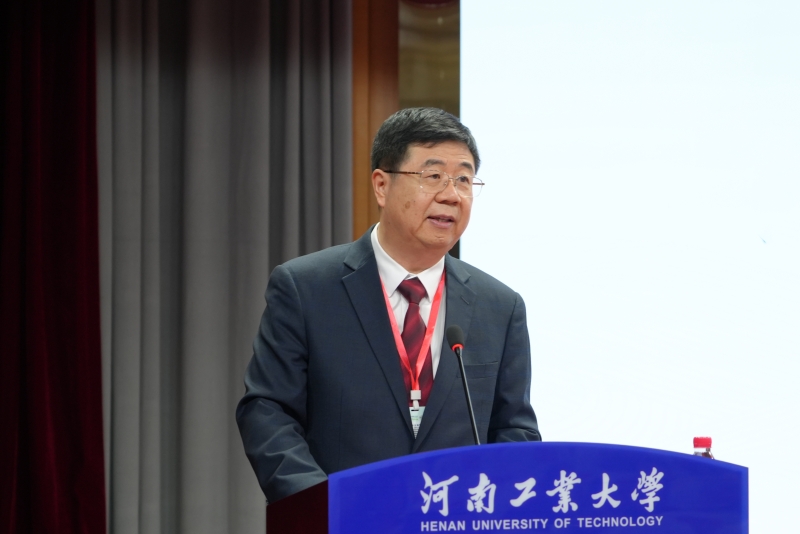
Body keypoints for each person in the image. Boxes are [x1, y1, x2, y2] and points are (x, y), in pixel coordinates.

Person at [236, 107, 541, 504]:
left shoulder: (500, 306)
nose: (451, 195)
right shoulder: (306, 288)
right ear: (382, 185)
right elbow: (268, 411)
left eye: (464, 180)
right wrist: (322, 505)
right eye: (433, 176)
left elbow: (514, 430)